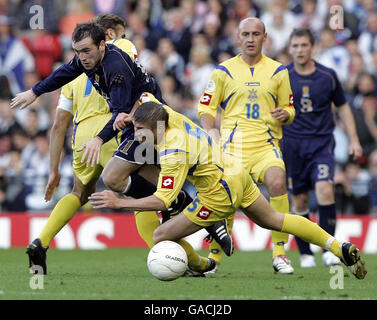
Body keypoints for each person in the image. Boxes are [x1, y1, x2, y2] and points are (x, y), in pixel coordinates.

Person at [16, 16, 227, 275]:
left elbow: (62, 122)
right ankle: (192, 247)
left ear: (103, 41)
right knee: (148, 190)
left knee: (89, 192)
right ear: (112, 33)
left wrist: (60, 164)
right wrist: (35, 91)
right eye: (123, 34)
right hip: (125, 128)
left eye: (85, 50)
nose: (81, 56)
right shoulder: (100, 53)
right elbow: (66, 74)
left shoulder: (116, 62)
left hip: (124, 128)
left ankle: (195, 227)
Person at [89, 100, 367, 281]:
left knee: (161, 234)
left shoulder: (174, 151)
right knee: (275, 220)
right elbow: (148, 101)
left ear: (157, 127)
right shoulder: (166, 115)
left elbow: (162, 200)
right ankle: (338, 246)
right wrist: (128, 117)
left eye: (140, 129)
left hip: (217, 193)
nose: (137, 135)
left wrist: (119, 202)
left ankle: (201, 263)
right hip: (235, 172)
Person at [197, 17, 296, 274]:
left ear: (265, 38)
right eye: (245, 34)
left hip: (265, 145)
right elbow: (206, 106)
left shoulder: (278, 71)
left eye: (256, 34)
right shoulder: (223, 71)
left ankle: (279, 253)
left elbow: (289, 106)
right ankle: (214, 256)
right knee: (226, 197)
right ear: (237, 38)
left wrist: (288, 114)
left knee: (277, 182)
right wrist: (210, 129)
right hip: (233, 148)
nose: (250, 39)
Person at [282, 28, 363, 268]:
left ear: (312, 46)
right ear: (290, 48)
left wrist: (355, 139)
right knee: (300, 201)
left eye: (304, 45)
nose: (299, 50)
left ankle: (329, 248)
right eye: (295, 46)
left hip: (321, 143)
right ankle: (305, 253)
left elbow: (343, 107)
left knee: (326, 189)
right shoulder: (282, 76)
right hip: (293, 145)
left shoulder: (327, 76)